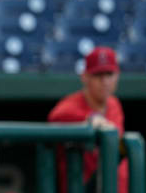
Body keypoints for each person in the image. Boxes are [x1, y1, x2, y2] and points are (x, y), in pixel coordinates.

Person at [48, 46, 128, 193]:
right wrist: (90, 118)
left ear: (117, 76)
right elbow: (56, 116)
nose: (105, 81)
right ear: (85, 77)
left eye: (109, 74)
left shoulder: (114, 104)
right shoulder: (72, 104)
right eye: (98, 75)